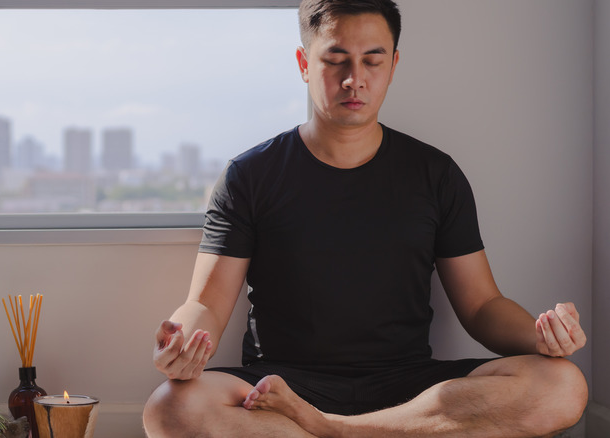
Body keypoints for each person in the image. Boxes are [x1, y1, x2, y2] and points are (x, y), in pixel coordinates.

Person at [143, 0, 588, 436]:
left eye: (372, 61)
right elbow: (207, 305)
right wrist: (182, 344)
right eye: (335, 60)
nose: (354, 79)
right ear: (303, 63)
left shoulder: (436, 174)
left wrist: (541, 336)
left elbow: (482, 306)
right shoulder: (250, 175)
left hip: (410, 385)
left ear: (393, 66)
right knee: (171, 407)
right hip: (281, 386)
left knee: (562, 385)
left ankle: (331, 430)